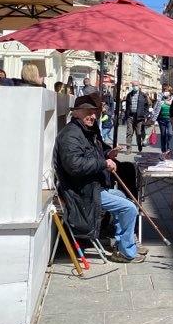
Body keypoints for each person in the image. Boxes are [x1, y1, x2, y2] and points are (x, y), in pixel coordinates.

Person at [53, 93, 145, 263]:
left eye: (94, 112)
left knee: (123, 197)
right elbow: (75, 166)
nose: (93, 116)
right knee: (129, 208)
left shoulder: (84, 131)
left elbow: (93, 154)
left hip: (91, 186)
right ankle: (126, 252)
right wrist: (103, 163)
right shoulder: (71, 135)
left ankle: (123, 243)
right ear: (76, 113)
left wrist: (108, 154)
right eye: (88, 112)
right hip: (81, 192)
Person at [123, 83, 147, 152]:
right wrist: (126, 115)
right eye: (133, 85)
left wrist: (145, 115)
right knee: (129, 132)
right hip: (130, 116)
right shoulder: (129, 95)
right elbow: (127, 105)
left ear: (139, 86)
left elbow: (147, 105)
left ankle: (139, 145)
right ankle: (128, 148)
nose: (135, 87)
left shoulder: (143, 95)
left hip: (139, 117)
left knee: (138, 133)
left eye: (136, 85)